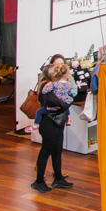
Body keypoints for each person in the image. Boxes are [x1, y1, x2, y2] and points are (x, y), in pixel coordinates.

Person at [32, 62, 76, 194]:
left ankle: (58, 178)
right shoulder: (47, 86)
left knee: (57, 151)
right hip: (49, 123)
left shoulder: (55, 86)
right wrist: (65, 104)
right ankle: (39, 181)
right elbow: (55, 102)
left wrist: (64, 105)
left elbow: (66, 102)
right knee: (45, 151)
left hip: (58, 122)